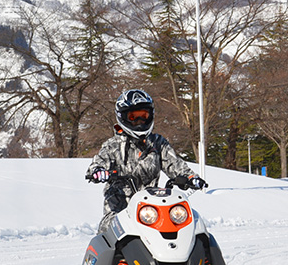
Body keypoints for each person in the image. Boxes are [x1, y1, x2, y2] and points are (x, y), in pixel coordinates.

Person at [86, 89, 206, 231]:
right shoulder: (113, 146)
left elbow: (175, 164)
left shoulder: (158, 143)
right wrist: (98, 171)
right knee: (109, 233)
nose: (139, 121)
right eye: (133, 117)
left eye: (144, 116)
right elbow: (98, 163)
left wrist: (191, 178)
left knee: (188, 226)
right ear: (122, 117)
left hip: (153, 209)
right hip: (120, 211)